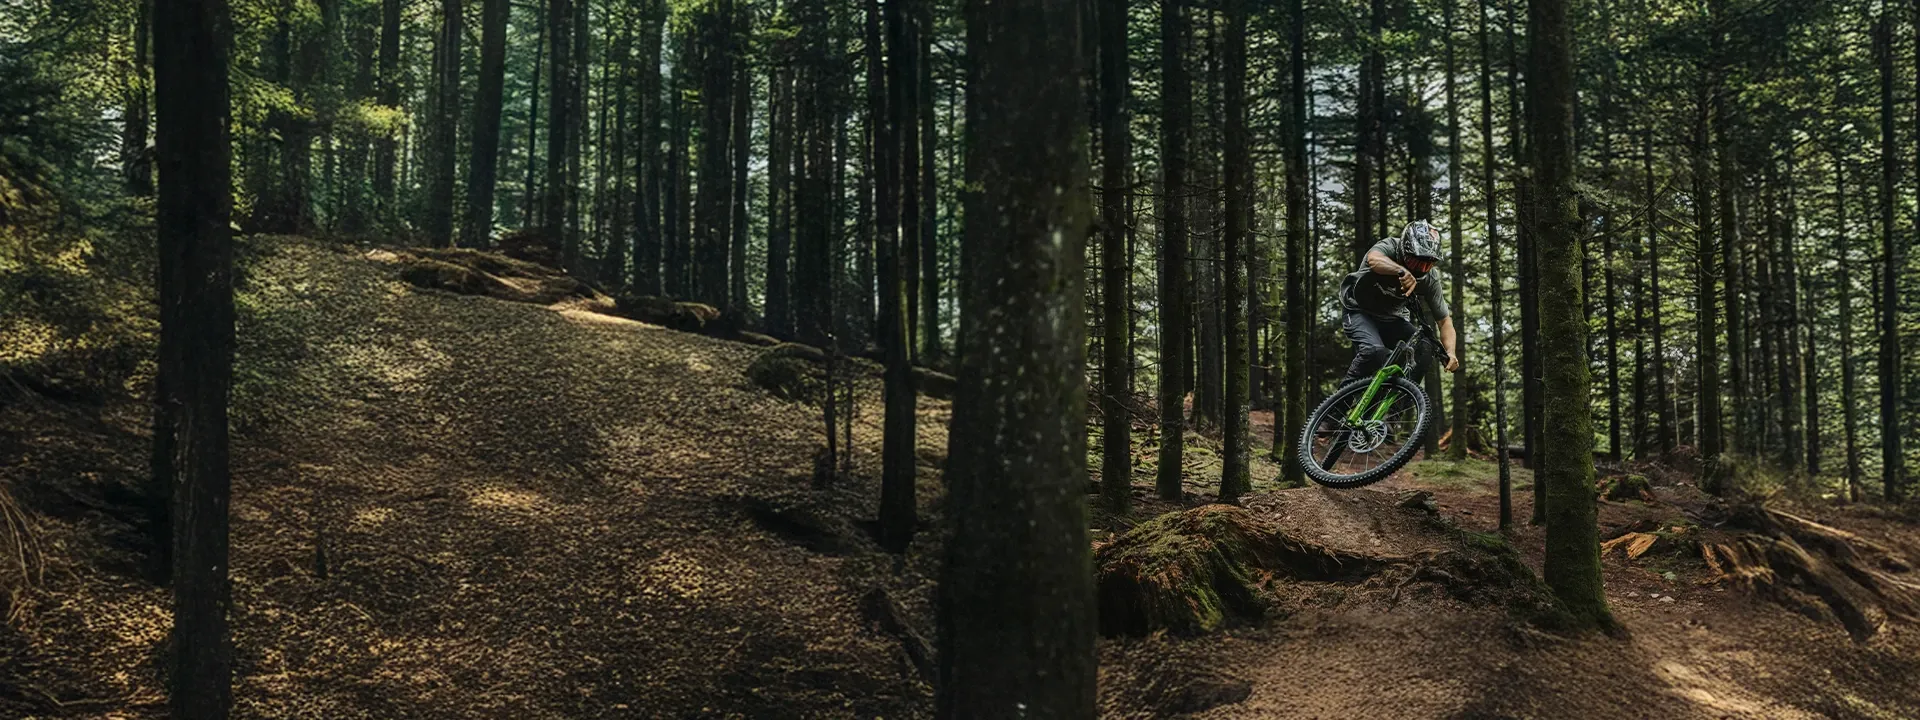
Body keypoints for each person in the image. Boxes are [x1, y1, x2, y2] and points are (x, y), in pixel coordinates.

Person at [1336, 220, 1460, 388]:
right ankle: (1337, 408)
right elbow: (1374, 259)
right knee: (1374, 351)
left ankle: (1395, 409)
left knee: (1424, 349)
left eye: (1427, 264)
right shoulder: (1389, 246)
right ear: (1404, 250)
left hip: (1392, 319)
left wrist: (1451, 352)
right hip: (1359, 311)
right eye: (1416, 262)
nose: (1421, 269)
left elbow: (1444, 321)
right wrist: (1401, 271)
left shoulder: (1430, 278)